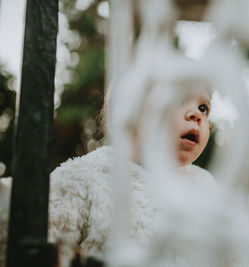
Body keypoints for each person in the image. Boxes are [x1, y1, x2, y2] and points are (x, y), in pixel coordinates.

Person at [0, 82, 217, 265]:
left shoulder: (206, 188)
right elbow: (28, 232)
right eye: (178, 99)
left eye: (203, 108)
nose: (196, 114)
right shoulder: (88, 175)